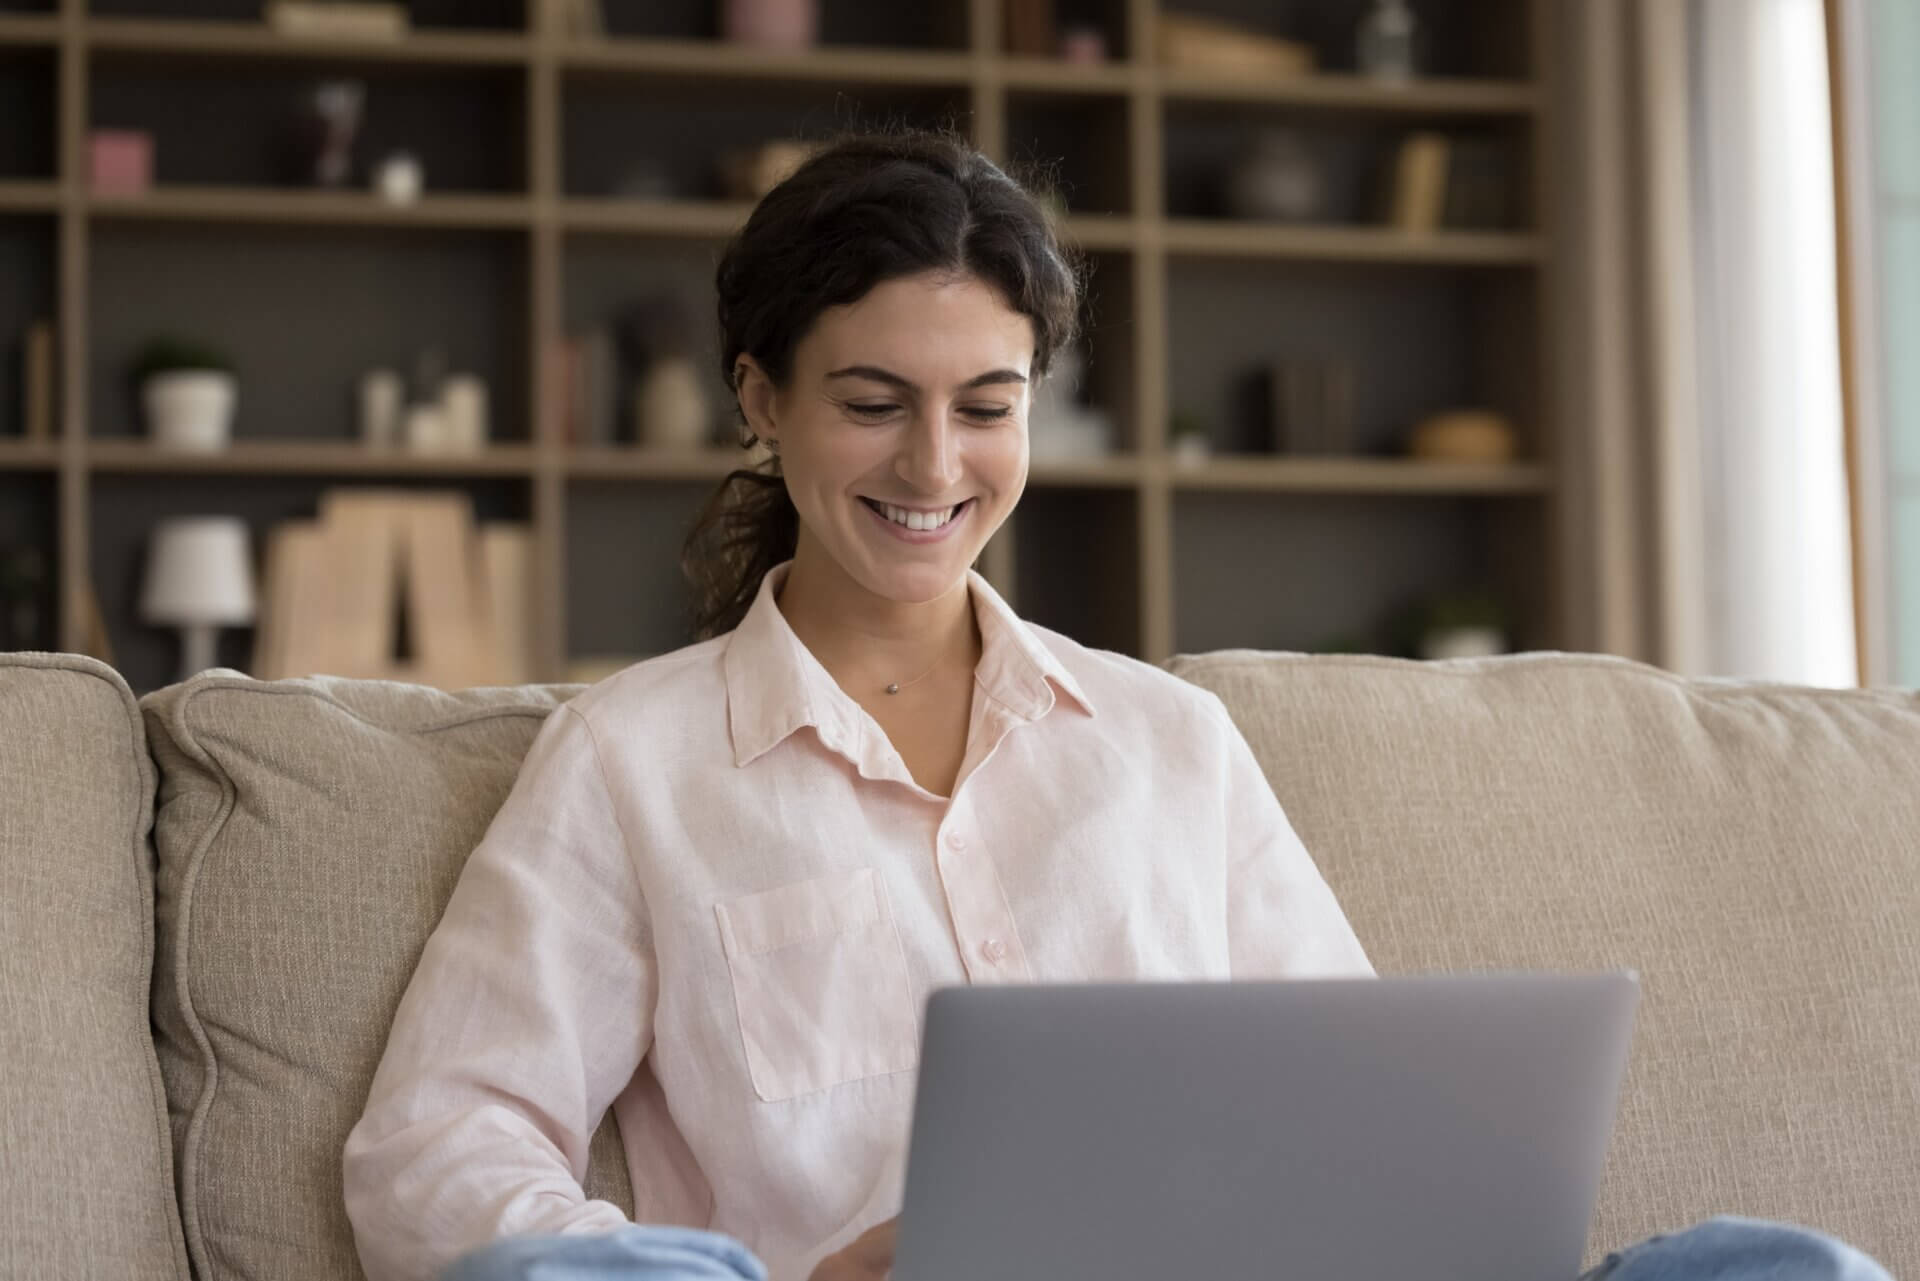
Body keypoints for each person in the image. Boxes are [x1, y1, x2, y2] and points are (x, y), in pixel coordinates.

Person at [342, 129, 1893, 1281]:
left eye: (986, 407)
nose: (934, 470)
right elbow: (436, 1151)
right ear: (761, 399)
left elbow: (1367, 1100)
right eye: (873, 402)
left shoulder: (1165, 743)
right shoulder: (634, 763)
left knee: (1792, 1273)